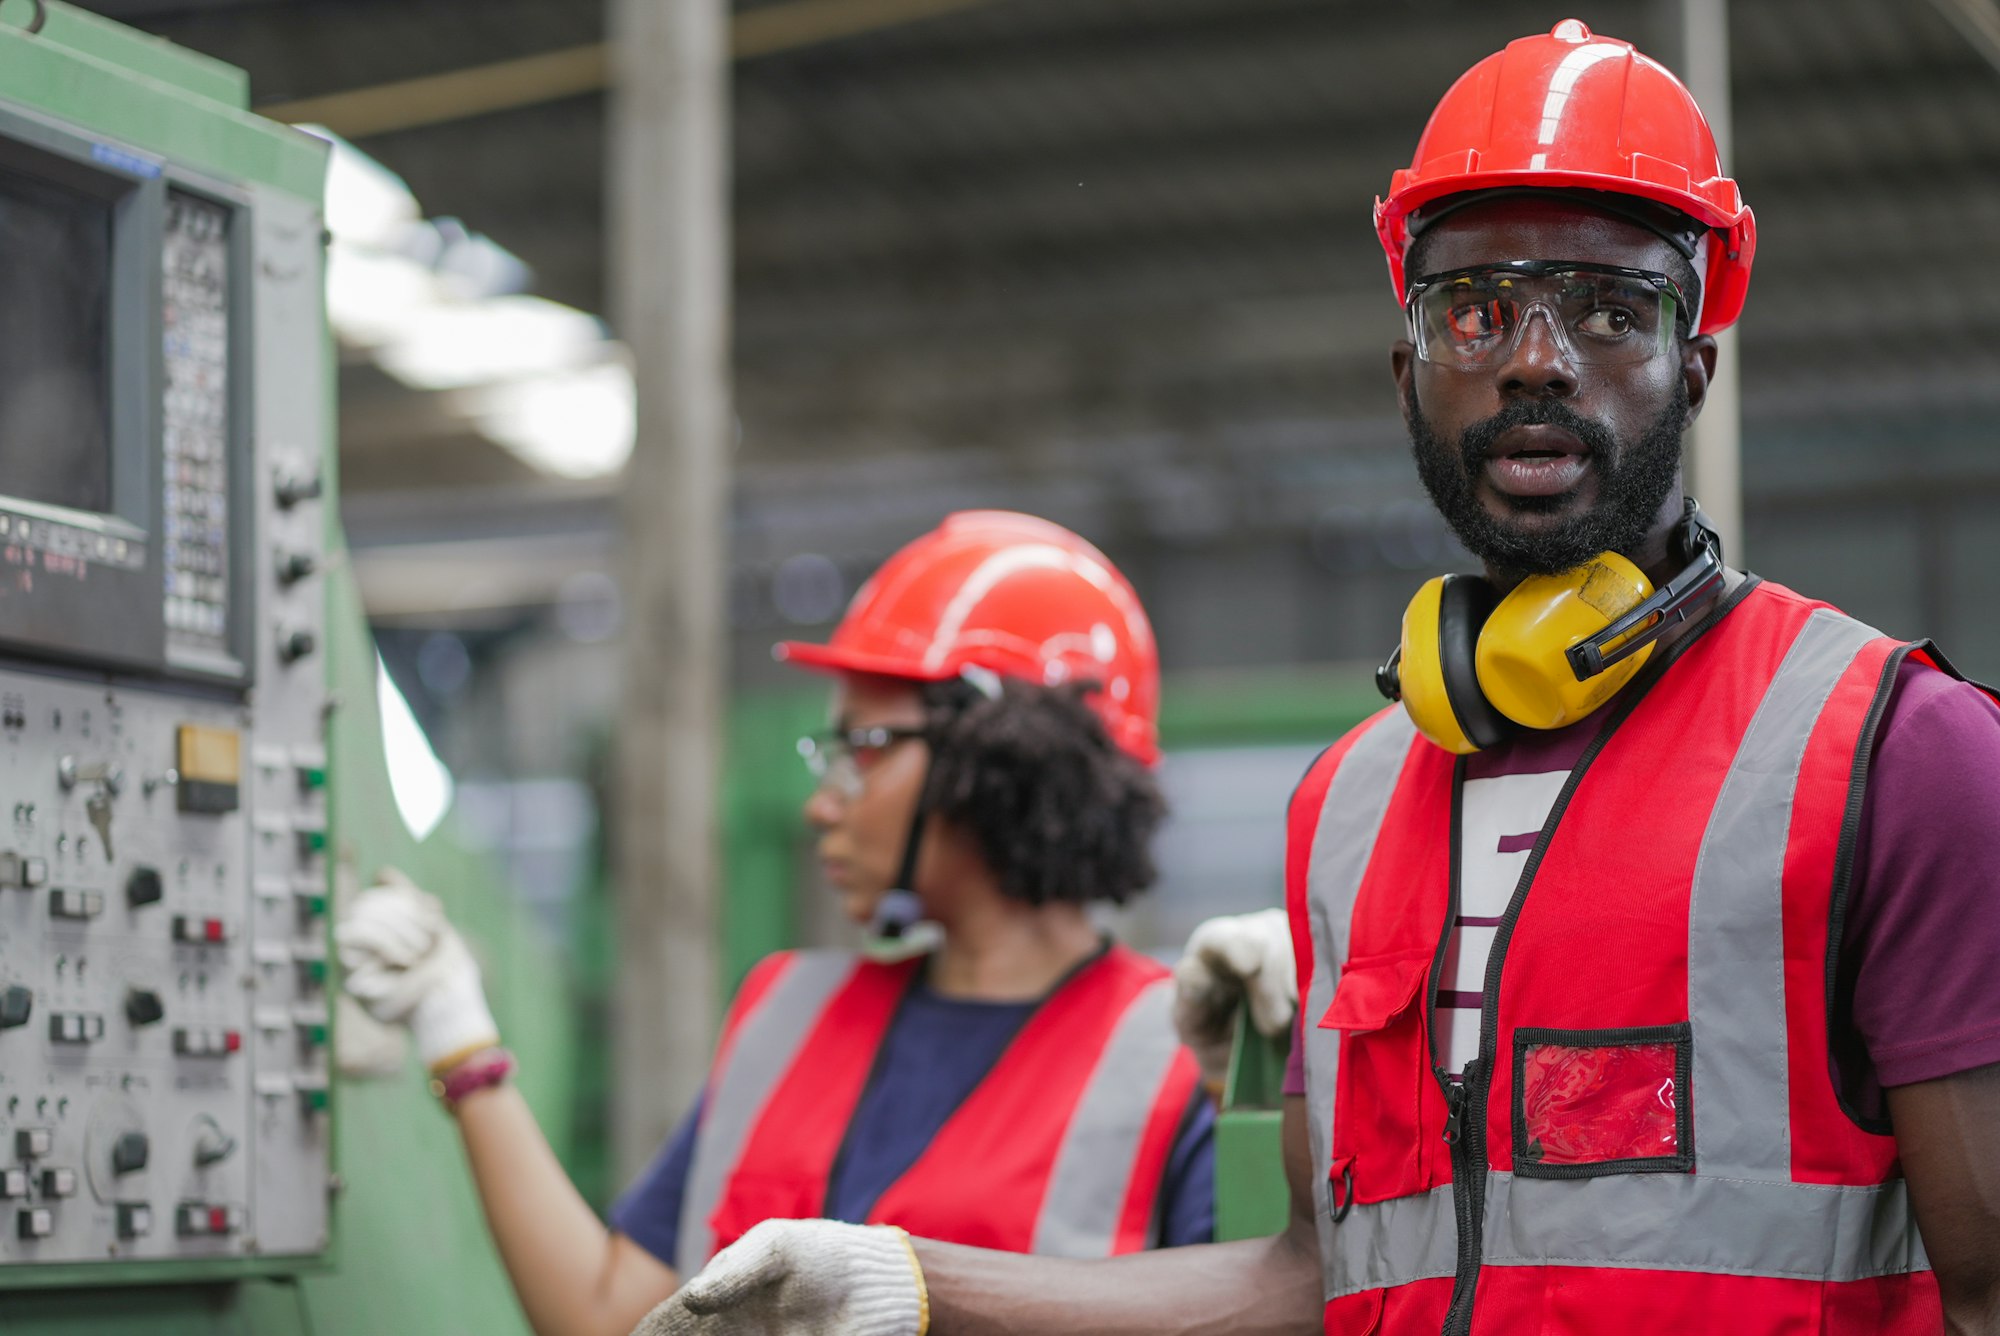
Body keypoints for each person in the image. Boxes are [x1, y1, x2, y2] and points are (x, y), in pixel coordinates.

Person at [634, 21, 2000, 1336]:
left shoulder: (1898, 759)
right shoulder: (1345, 813)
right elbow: (1312, 1279)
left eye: (1609, 307)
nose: (1535, 357)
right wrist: (910, 1281)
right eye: (1475, 309)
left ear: (1693, 367)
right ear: (1406, 371)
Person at [335, 510, 1213, 1336]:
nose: (822, 806)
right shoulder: (788, 1020)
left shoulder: (1181, 1061)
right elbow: (607, 1316)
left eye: (860, 751)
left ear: (1000, 758)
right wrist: (459, 1035)